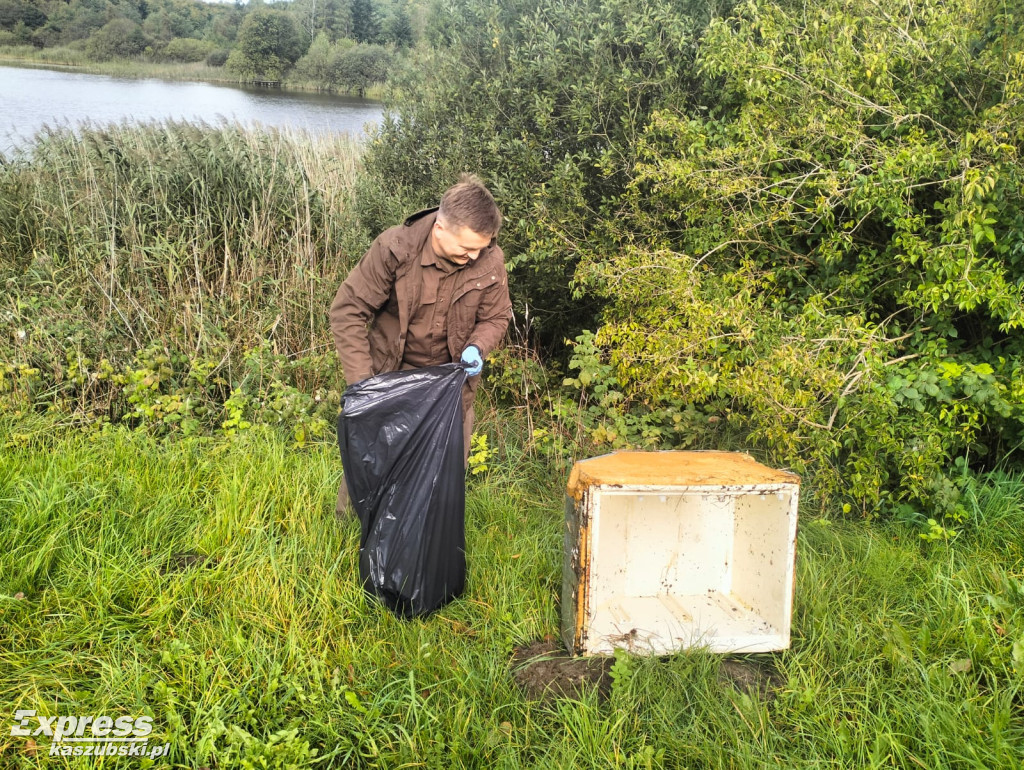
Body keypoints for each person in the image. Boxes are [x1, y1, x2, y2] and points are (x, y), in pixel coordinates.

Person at [329, 176, 513, 516]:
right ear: (440, 228)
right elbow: (348, 311)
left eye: (481, 248)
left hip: (449, 388)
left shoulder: (489, 258)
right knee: (370, 463)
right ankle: (344, 531)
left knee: (443, 480)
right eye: (467, 248)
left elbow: (497, 317)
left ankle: (425, 547)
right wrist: (363, 386)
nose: (475, 257)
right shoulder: (395, 249)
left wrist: (478, 346)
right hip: (390, 377)